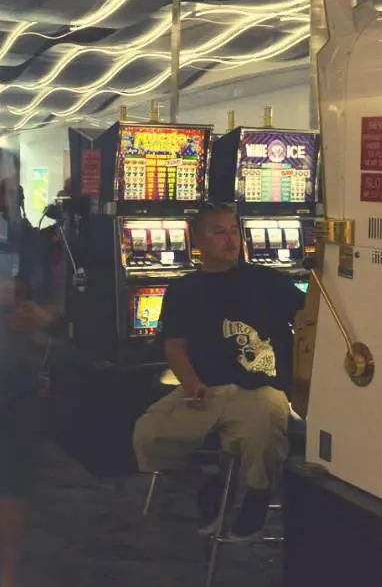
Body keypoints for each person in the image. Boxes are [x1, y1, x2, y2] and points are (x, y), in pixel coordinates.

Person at [131, 203, 305, 541]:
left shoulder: (267, 280)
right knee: (147, 437)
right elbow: (174, 346)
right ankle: (205, 484)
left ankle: (257, 495)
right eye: (219, 232)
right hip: (205, 389)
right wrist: (191, 383)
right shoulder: (183, 290)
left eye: (234, 231)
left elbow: (309, 318)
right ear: (197, 241)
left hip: (258, 388)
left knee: (264, 433)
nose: (231, 240)